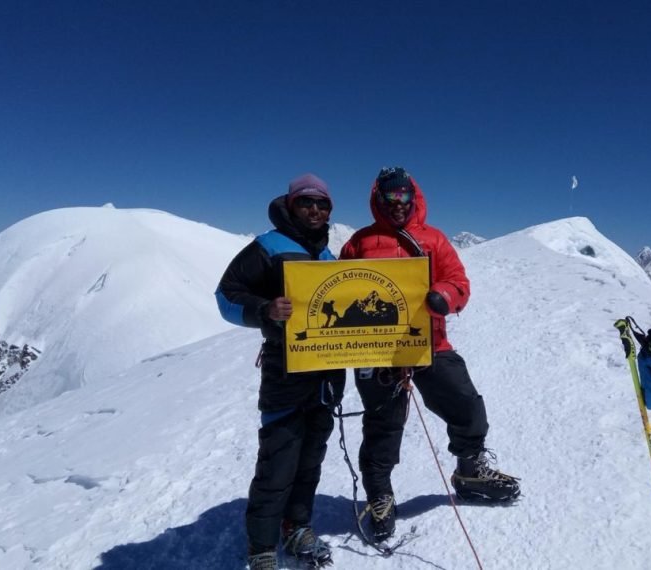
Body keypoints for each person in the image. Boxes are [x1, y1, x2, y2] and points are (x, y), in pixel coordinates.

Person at [339, 166, 520, 543]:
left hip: (429, 344)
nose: (398, 204)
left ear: (413, 196)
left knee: (465, 403)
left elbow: (459, 282)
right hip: (375, 350)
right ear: (379, 198)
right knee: (382, 424)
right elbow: (340, 288)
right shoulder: (359, 242)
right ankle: (380, 495)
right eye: (391, 197)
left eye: (404, 196)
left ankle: (470, 471)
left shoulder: (433, 240)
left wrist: (444, 297)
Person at [215, 173, 345, 570]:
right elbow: (226, 297)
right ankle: (262, 548)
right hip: (285, 372)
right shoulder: (267, 247)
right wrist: (265, 311)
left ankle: (298, 525)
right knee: (278, 461)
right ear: (291, 205)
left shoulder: (327, 256)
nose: (315, 210)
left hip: (325, 374)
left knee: (310, 460)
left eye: (322, 205)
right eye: (307, 202)